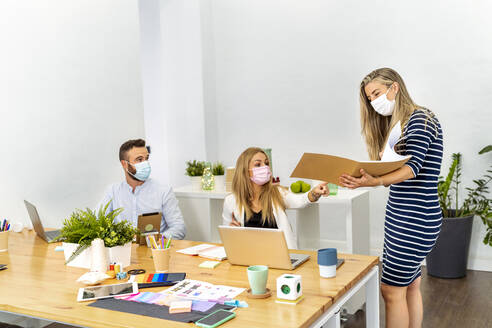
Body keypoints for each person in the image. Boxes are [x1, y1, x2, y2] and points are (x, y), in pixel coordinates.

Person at [339, 68, 443, 328]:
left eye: (377, 93)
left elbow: (412, 168)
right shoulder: (405, 124)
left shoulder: (419, 119)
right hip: (409, 216)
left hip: (413, 219)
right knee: (410, 286)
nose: (374, 102)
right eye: (370, 98)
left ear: (394, 87)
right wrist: (368, 177)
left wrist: (376, 181)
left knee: (391, 290)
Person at [222, 147, 329, 249]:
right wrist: (232, 233)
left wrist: (315, 192)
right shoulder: (231, 201)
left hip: (279, 256)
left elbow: (300, 200)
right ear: (245, 170)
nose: (265, 167)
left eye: (267, 163)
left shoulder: (277, 193)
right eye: (258, 164)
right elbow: (227, 239)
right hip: (250, 257)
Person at [98, 139, 186, 239]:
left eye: (146, 158)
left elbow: (179, 228)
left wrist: (156, 239)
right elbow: (96, 222)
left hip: (155, 250)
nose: (145, 163)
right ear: (124, 164)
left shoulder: (163, 191)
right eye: (139, 159)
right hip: (124, 251)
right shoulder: (113, 191)